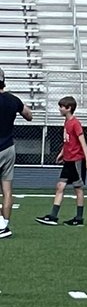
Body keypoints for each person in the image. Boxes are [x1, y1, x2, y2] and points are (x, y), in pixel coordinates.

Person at [37, 95, 87, 227]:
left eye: (61, 107)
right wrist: (62, 153)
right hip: (68, 160)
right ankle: (53, 216)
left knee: (78, 188)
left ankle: (79, 218)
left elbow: (82, 142)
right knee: (60, 186)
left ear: (68, 108)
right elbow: (67, 141)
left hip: (76, 160)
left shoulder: (75, 123)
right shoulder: (67, 123)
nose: (59, 109)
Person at [0, 69, 33, 239]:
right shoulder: (13, 99)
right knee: (7, 190)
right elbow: (29, 115)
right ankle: (4, 225)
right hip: (8, 147)